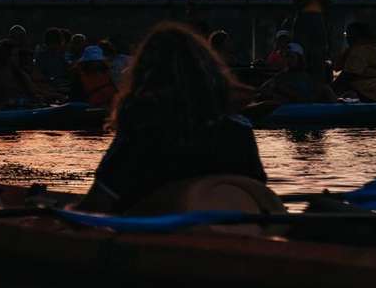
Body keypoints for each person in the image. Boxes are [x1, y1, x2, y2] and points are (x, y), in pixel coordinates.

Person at [81, 23, 267, 212]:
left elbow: (96, 204)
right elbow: (258, 193)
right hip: (233, 223)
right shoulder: (241, 129)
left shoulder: (143, 131)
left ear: (145, 74)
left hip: (163, 225)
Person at [331, 22, 376, 102]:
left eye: (349, 35)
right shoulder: (360, 49)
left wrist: (330, 90)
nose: (347, 38)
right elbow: (338, 67)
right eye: (346, 35)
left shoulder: (360, 50)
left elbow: (347, 75)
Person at [255, 43, 333, 106]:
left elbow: (308, 98)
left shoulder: (307, 77)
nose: (288, 60)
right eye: (287, 56)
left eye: (291, 57)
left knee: (326, 88)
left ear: (299, 58)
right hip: (287, 108)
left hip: (303, 107)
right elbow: (262, 89)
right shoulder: (281, 76)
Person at [70, 44, 119, 108]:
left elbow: (114, 90)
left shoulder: (106, 73)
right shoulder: (79, 76)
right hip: (92, 108)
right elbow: (76, 97)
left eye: (97, 61)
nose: (95, 64)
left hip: (108, 105)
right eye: (93, 61)